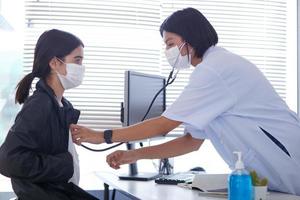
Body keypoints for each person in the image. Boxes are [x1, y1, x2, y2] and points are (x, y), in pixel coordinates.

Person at [71, 7, 300, 195]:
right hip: (275, 166)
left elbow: (164, 124)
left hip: (288, 158)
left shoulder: (214, 70)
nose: (167, 50)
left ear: (189, 39)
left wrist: (102, 136)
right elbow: (191, 141)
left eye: (170, 43)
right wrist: (134, 155)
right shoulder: (212, 69)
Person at [0, 29, 98, 200]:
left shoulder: (61, 105)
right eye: (77, 60)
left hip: (61, 192)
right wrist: (64, 164)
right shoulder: (39, 105)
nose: (81, 68)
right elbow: (8, 160)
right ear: (55, 63)